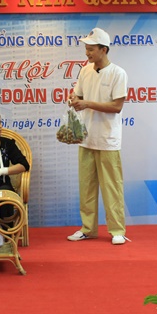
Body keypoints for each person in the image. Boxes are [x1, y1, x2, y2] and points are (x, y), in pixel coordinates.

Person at [67, 27, 129, 245]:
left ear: (104, 49)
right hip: (86, 138)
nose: (87, 53)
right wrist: (74, 99)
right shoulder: (85, 71)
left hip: (108, 140)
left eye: (91, 49)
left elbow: (117, 106)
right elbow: (78, 94)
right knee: (86, 187)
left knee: (112, 187)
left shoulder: (118, 73)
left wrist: (87, 104)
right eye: (86, 49)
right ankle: (88, 228)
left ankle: (117, 230)